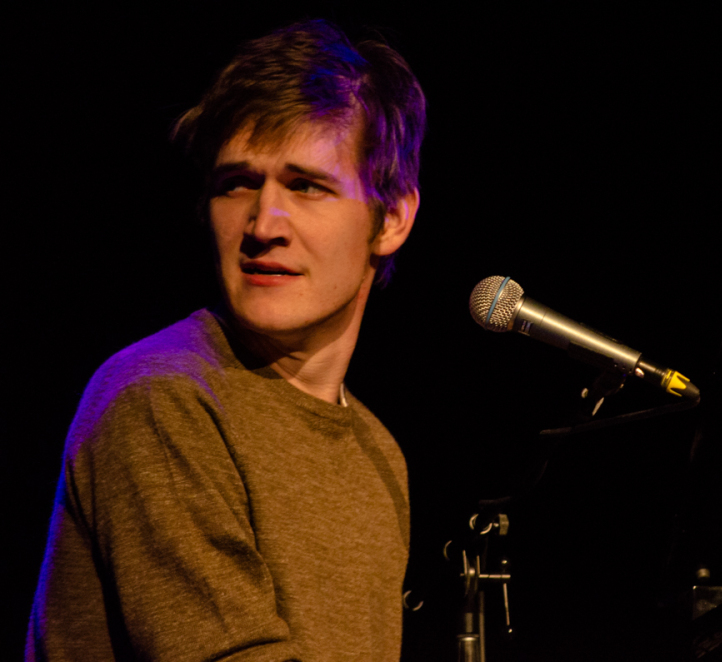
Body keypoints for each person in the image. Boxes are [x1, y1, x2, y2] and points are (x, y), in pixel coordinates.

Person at [27, 19, 424, 661]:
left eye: (306, 186)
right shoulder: (161, 400)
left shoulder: (379, 454)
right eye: (237, 183)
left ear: (394, 217)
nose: (263, 224)